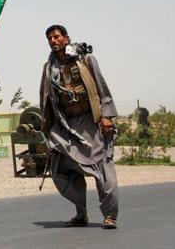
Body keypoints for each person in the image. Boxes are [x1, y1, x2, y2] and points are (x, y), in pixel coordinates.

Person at [40, 24, 119, 229]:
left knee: (102, 167)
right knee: (61, 166)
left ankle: (110, 215)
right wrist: (46, 125)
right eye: (50, 38)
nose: (53, 41)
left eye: (57, 37)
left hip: (89, 122)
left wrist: (107, 116)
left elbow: (102, 88)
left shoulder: (86, 60)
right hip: (65, 125)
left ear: (66, 38)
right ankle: (81, 213)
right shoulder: (48, 68)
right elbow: (45, 97)